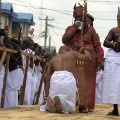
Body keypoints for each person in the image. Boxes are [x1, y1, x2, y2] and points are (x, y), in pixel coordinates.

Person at [62, 3, 102, 112]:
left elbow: (97, 45)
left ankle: (84, 105)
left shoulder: (91, 30)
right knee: (71, 79)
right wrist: (74, 28)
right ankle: (68, 104)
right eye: (76, 17)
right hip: (72, 56)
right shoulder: (70, 28)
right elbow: (64, 40)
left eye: (80, 17)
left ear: (84, 17)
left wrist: (99, 57)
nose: (78, 18)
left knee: (86, 81)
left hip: (87, 57)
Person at [44, 45, 92, 114]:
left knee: (53, 97)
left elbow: (47, 78)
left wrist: (46, 96)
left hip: (55, 78)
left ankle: (52, 103)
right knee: (70, 103)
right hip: (68, 78)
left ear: (59, 51)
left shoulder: (53, 59)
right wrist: (84, 49)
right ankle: (61, 103)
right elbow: (88, 58)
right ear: (68, 50)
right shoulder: (72, 53)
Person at [101, 18, 120, 115]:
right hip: (114, 58)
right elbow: (105, 42)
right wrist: (113, 44)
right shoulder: (113, 30)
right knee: (114, 85)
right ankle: (115, 109)